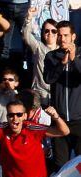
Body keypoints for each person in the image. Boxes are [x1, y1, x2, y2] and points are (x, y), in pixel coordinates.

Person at [43, 21, 81, 167]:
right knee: (60, 165)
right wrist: (62, 64)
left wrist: (74, 60)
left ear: (74, 36)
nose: (63, 39)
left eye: (66, 35)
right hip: (59, 120)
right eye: (60, 35)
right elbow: (48, 79)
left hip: (79, 120)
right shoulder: (51, 56)